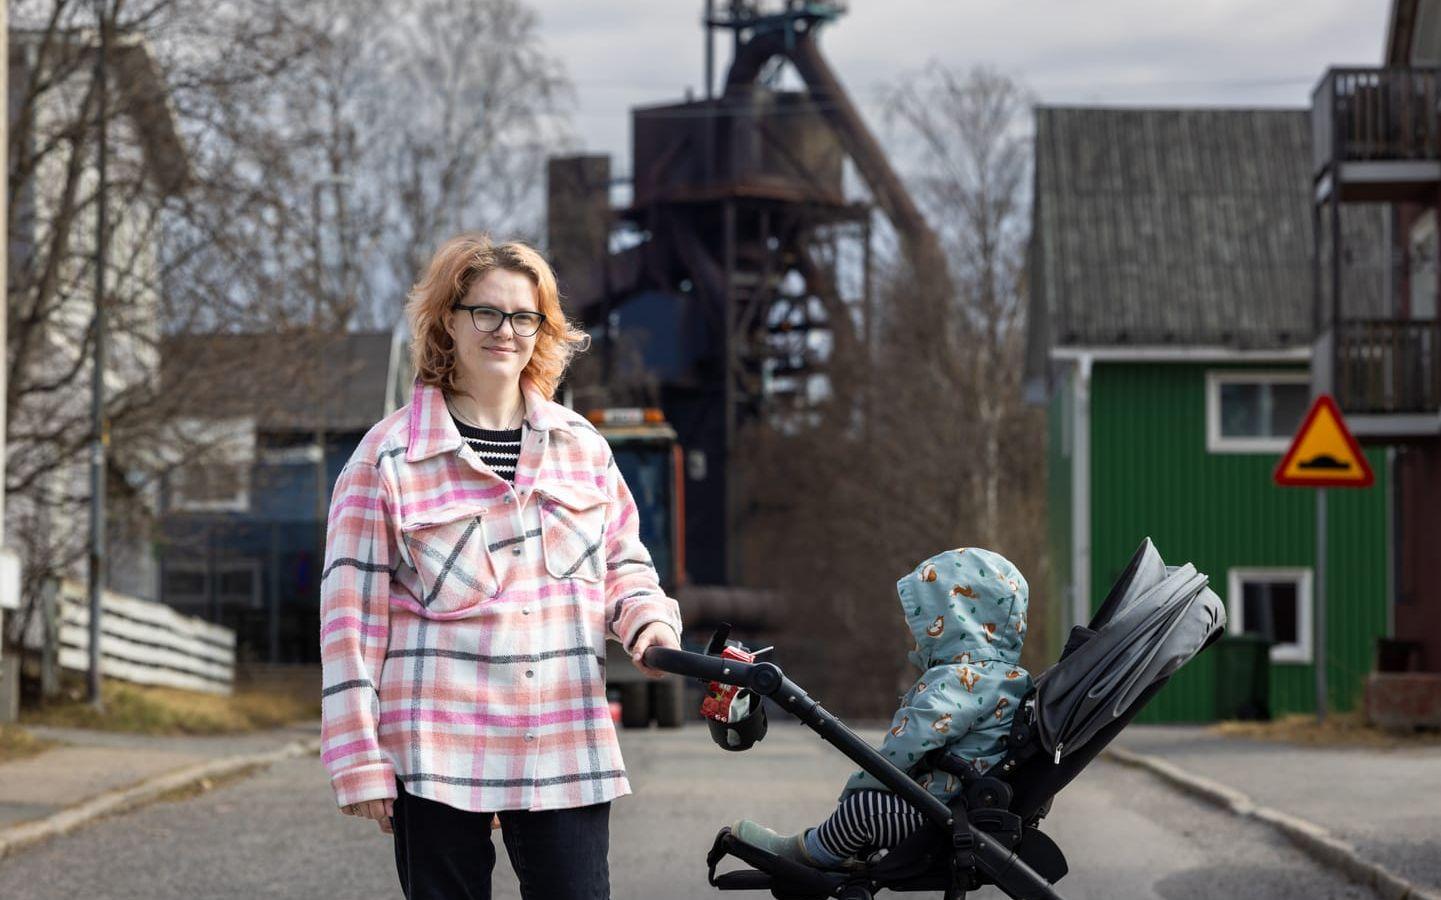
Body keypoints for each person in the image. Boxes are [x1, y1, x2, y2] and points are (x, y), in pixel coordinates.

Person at [318, 234, 683, 899]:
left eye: (523, 316)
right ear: (448, 321)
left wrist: (650, 626)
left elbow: (623, 564)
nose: (504, 330)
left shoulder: (581, 447)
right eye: (485, 312)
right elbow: (350, 622)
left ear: (543, 329)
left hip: (563, 739)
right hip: (436, 750)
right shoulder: (386, 458)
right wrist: (358, 758)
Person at [731, 547, 1031, 870]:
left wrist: (859, 786)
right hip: (969, 806)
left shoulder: (960, 680)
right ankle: (833, 849)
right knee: (872, 806)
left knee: (862, 809)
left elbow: (908, 745)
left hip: (941, 814)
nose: (917, 635)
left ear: (956, 620)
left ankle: (810, 853)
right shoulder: (1012, 679)